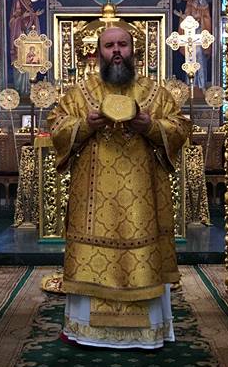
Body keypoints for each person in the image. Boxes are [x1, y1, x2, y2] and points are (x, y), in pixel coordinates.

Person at [48, 26, 190, 349]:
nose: (116, 51)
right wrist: (86, 124)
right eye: (109, 45)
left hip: (142, 206)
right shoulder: (79, 94)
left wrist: (150, 125)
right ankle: (87, 330)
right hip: (93, 205)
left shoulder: (155, 94)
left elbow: (180, 128)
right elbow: (56, 128)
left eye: (122, 44)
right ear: (98, 52)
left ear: (133, 50)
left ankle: (147, 330)